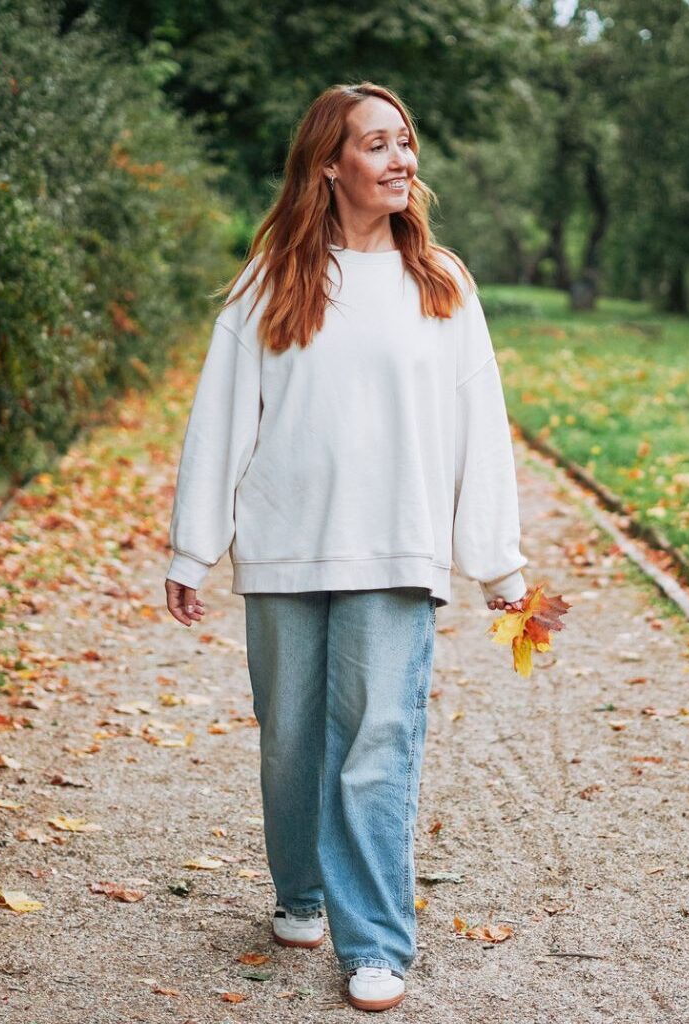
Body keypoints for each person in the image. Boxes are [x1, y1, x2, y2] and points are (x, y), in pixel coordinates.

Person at [160, 81, 529, 1012]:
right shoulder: (270, 282)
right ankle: (301, 892)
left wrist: (497, 562)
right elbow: (221, 423)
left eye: (406, 141)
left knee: (379, 740)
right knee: (289, 740)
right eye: (377, 144)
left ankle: (375, 942)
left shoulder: (440, 282)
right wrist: (192, 549)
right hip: (286, 548)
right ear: (330, 165)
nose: (401, 159)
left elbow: (479, 428)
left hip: (397, 553)